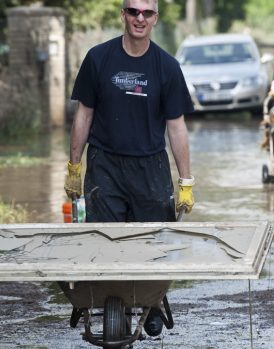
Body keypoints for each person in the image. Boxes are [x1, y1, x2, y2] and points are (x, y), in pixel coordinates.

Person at [64, 0, 195, 338]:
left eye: (146, 13)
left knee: (153, 242)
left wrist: (186, 181)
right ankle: (110, 298)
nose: (139, 18)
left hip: (150, 167)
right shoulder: (98, 59)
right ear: (122, 14)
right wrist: (73, 166)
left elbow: (176, 126)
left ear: (155, 18)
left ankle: (151, 301)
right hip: (105, 164)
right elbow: (84, 115)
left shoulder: (166, 66)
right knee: (105, 240)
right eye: (133, 11)